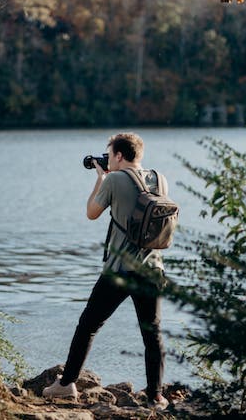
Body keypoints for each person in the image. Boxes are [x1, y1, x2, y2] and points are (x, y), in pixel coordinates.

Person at [42, 132, 169, 410]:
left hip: (120, 270)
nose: (107, 158)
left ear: (119, 156)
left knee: (88, 326)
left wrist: (100, 178)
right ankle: (156, 396)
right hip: (153, 270)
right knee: (153, 333)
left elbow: (92, 212)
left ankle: (66, 385)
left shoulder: (112, 179)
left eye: (109, 154)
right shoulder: (160, 178)